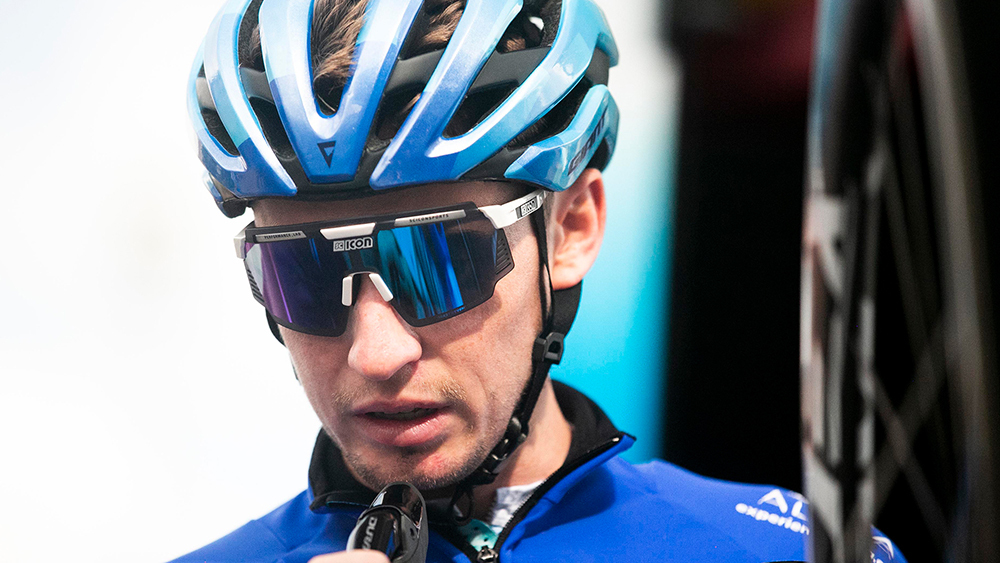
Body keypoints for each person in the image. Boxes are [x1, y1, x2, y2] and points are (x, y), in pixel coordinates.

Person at [176, 0, 905, 561]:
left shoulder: (783, 550)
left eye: (436, 263)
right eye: (303, 273)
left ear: (571, 229)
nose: (376, 352)